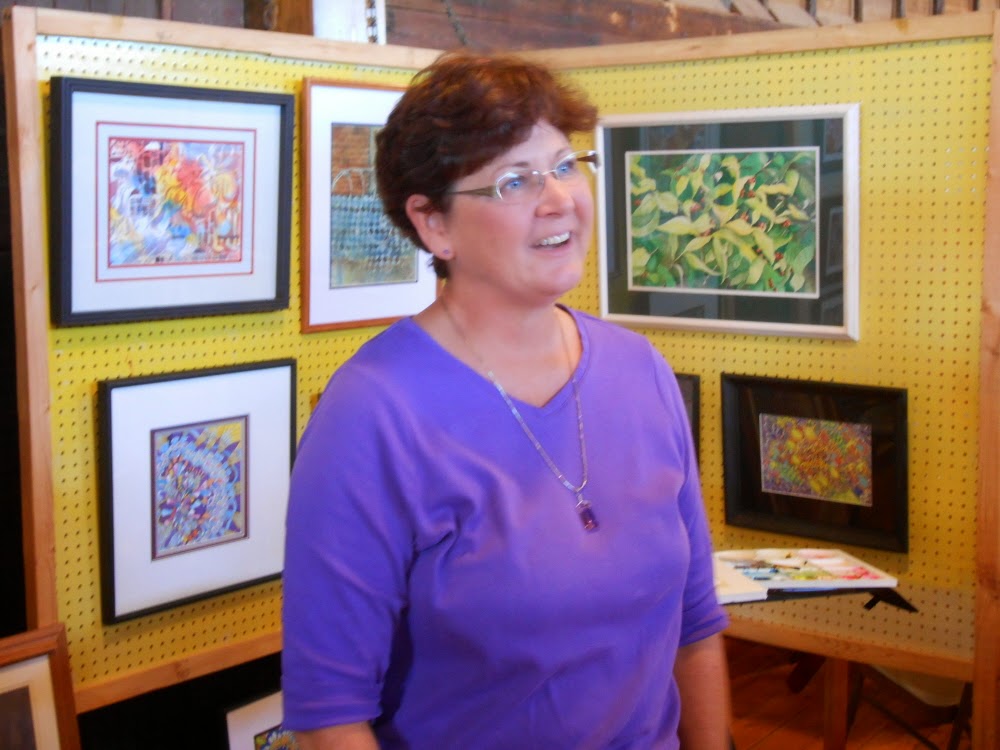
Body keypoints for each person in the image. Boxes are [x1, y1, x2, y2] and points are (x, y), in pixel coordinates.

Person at [281, 50, 731, 750]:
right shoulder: (372, 414)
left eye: (565, 165)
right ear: (433, 225)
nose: (559, 199)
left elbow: (695, 623)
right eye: (514, 181)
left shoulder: (639, 369)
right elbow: (328, 716)